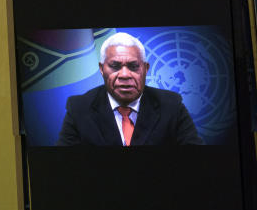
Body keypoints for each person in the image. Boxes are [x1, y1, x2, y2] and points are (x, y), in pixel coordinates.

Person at [55, 32, 203, 146]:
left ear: (145, 69)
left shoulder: (172, 106)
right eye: (115, 66)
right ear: (101, 69)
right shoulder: (79, 108)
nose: (125, 75)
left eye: (133, 66)